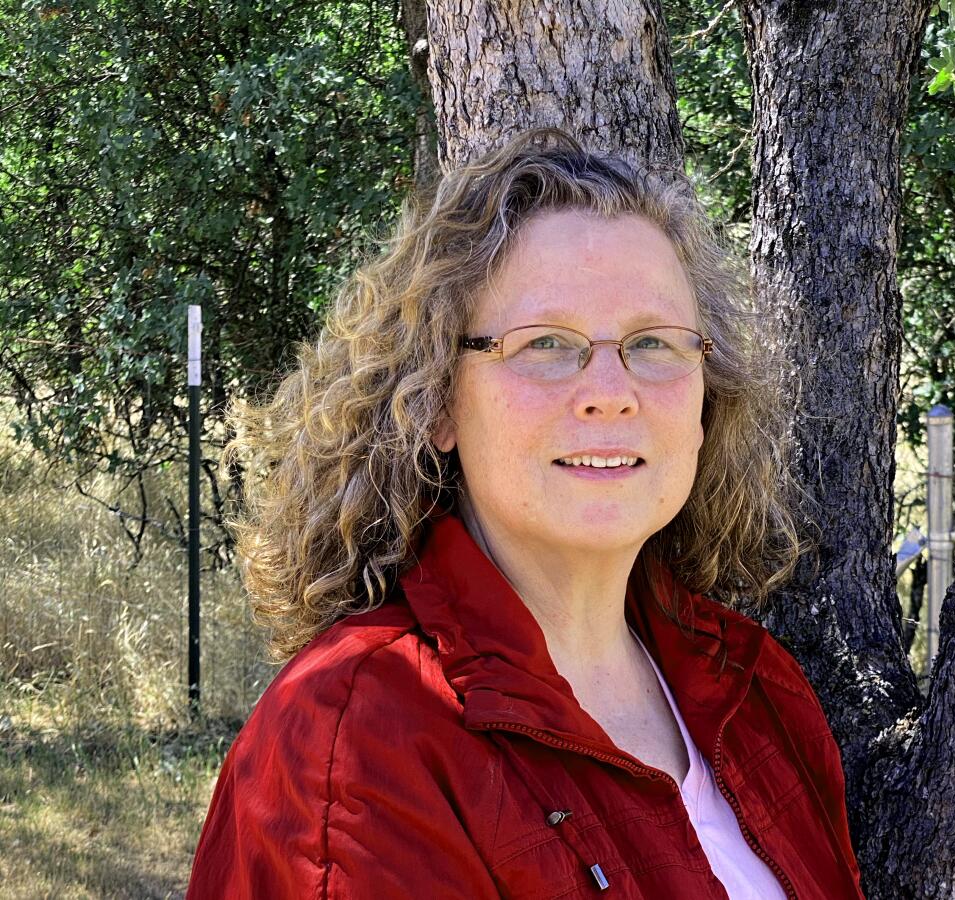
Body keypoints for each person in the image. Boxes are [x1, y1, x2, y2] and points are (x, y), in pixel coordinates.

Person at [187, 126, 865, 899]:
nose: (611, 389)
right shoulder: (359, 738)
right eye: (546, 342)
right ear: (437, 402)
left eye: (652, 342)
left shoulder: (753, 687)